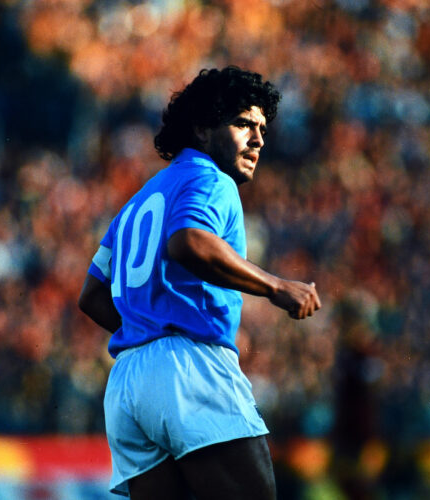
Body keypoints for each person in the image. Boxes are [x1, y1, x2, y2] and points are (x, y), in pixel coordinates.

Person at [78, 66, 321, 499]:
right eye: (244, 124)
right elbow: (189, 241)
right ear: (203, 130)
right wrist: (275, 286)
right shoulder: (211, 178)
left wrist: (146, 330)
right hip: (188, 370)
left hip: (127, 384)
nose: (259, 139)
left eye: (262, 128)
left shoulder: (136, 202)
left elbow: (92, 295)